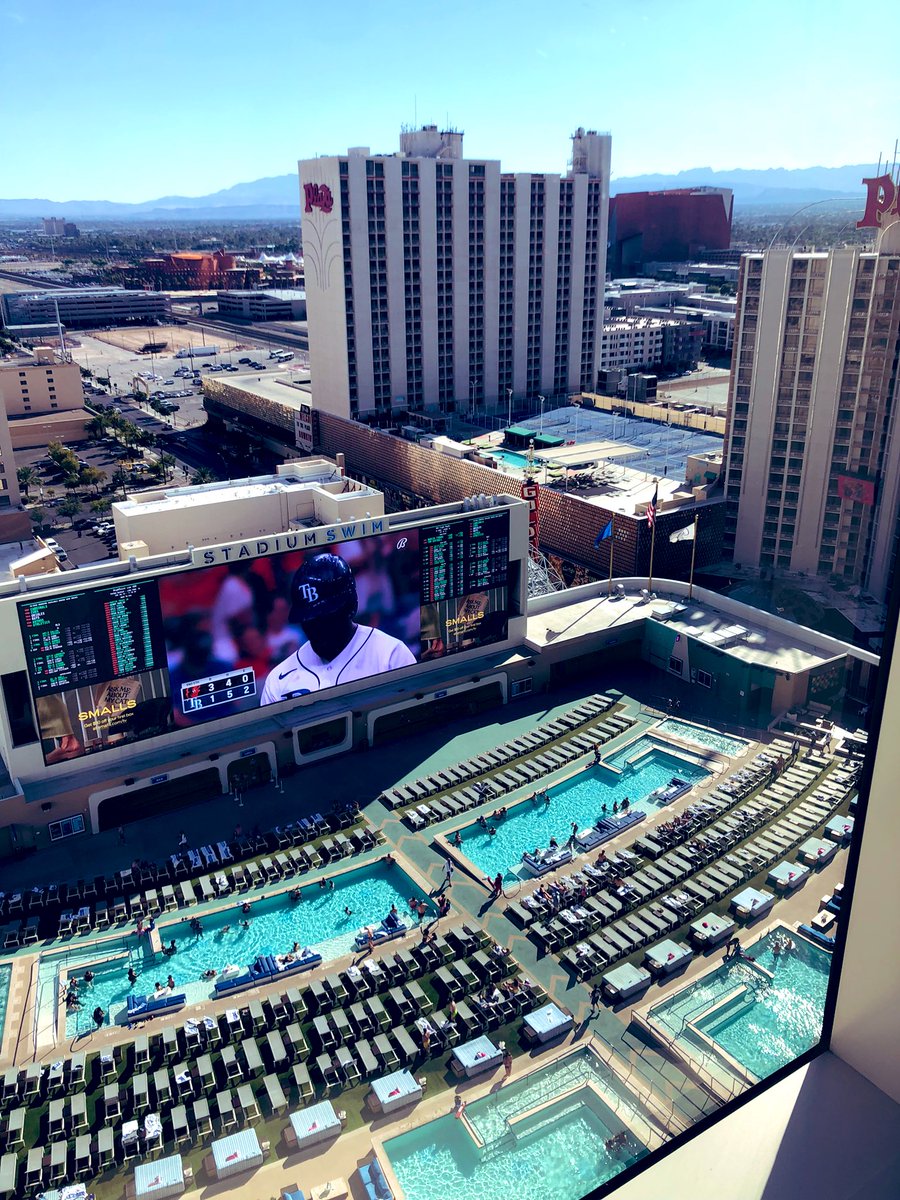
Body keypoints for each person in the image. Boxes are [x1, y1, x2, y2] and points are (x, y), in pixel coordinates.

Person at [260, 553, 416, 704]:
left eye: (324, 618)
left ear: (350, 607)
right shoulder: (278, 680)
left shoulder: (390, 656)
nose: (317, 629)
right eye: (308, 620)